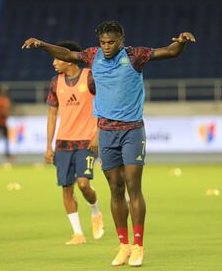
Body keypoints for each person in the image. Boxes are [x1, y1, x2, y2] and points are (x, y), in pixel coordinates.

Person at [22, 21, 195, 266]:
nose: (106, 47)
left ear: (121, 40)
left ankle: (138, 246)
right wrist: (42, 45)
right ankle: (123, 245)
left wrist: (181, 42)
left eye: (111, 42)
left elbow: (168, 52)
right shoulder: (93, 56)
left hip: (132, 131)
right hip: (106, 132)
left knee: (133, 185)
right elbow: (67, 54)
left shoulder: (135, 56)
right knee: (115, 188)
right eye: (103, 42)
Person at [45, 41, 104, 245]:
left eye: (57, 58)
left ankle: (95, 211)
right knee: (66, 187)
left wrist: (98, 133)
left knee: (83, 183)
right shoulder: (55, 83)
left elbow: (105, 103)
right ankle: (78, 233)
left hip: (86, 142)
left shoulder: (90, 77)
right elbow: (52, 115)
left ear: (68, 58)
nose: (53, 62)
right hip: (63, 143)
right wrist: (48, 146)